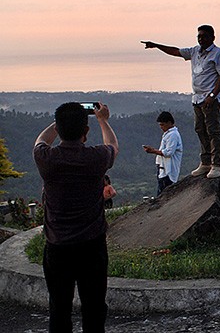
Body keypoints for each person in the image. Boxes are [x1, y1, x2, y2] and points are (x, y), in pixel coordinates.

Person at [33, 102, 119, 332]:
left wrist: (60, 122)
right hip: (92, 246)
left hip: (57, 247)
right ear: (86, 131)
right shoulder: (96, 157)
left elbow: (40, 140)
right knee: (94, 308)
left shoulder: (46, 158)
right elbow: (112, 145)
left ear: (59, 130)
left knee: (59, 309)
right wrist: (102, 120)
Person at [141, 24, 220, 179]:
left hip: (210, 99)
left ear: (212, 38)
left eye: (204, 36)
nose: (201, 39)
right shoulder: (195, 51)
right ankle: (206, 162)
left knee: (213, 131)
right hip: (197, 98)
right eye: (199, 36)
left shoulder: (218, 54)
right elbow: (176, 51)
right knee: (200, 130)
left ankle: (216, 164)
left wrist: (212, 95)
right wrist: (156, 45)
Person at [142, 111, 183, 195]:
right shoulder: (167, 134)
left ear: (169, 123)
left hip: (169, 170)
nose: (161, 127)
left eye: (162, 125)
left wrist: (153, 151)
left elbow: (169, 152)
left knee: (164, 193)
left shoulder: (173, 135)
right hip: (163, 167)